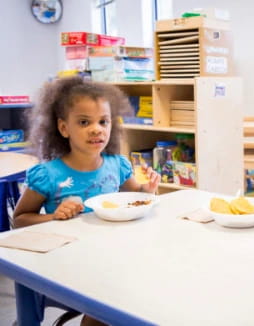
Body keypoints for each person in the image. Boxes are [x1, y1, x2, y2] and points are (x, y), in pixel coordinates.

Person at [13, 76, 160, 326]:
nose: (96, 129)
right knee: (109, 297)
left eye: (104, 121)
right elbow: (19, 219)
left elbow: (136, 198)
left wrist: (149, 188)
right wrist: (53, 216)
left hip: (109, 254)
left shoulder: (117, 165)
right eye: (84, 122)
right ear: (63, 128)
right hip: (67, 262)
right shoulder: (48, 175)